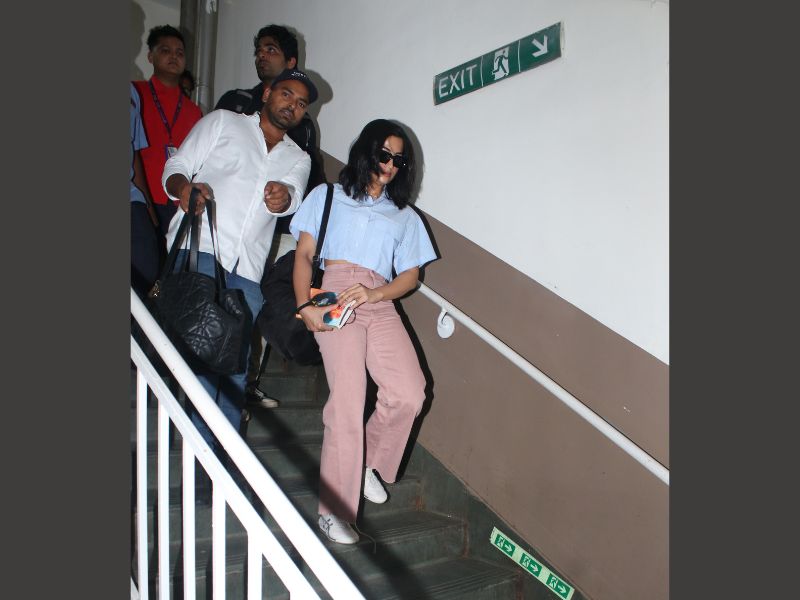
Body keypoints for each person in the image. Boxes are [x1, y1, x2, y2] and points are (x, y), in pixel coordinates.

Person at [290, 119, 437, 544]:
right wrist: (304, 306)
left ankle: (368, 461)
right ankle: (334, 510)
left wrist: (375, 294)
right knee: (348, 399)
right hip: (336, 293)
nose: (390, 165)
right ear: (368, 151)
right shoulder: (327, 196)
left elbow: (410, 276)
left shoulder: (404, 216)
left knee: (410, 392)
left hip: (378, 298)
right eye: (384, 154)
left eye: (399, 160)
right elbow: (304, 255)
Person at [161, 68, 317, 448]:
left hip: (247, 270)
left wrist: (284, 198)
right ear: (267, 93)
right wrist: (184, 189)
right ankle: (199, 453)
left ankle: (223, 459)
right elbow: (176, 166)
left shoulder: (299, 158)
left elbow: (294, 197)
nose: (292, 106)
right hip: (200, 248)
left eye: (301, 104)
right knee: (201, 358)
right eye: (286, 94)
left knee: (235, 367)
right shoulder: (222, 122)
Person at [215, 24, 325, 408]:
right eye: (259, 49)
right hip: (226, 228)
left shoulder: (304, 127)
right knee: (222, 304)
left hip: (276, 230)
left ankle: (245, 385)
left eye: (272, 50)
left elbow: (307, 181)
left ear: (290, 61)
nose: (262, 55)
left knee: (255, 304)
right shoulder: (235, 102)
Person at [134, 25, 203, 241]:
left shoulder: (194, 111)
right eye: (165, 50)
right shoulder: (135, 93)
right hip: (141, 198)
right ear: (150, 56)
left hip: (178, 202)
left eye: (179, 53)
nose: (174, 56)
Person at [130, 83, 159, 299]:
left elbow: (134, 154)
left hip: (132, 200)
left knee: (147, 272)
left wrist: (149, 212)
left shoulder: (131, 93)